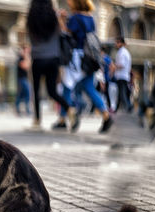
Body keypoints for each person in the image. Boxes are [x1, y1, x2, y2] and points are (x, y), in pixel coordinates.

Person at [58, 0, 113, 133]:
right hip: (89, 58)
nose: (68, 3)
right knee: (89, 88)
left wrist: (61, 19)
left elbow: (67, 33)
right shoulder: (90, 17)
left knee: (66, 86)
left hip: (77, 57)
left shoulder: (75, 18)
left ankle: (64, 118)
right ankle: (106, 115)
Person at [27, 0, 75, 129]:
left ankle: (37, 120)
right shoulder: (54, 19)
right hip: (53, 59)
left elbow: (30, 39)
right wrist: (60, 18)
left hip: (37, 58)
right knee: (52, 91)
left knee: (36, 91)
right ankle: (69, 109)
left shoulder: (31, 19)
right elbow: (62, 34)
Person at [113, 36, 133, 113]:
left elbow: (122, 64)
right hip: (123, 75)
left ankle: (128, 107)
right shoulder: (124, 52)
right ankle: (117, 108)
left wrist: (114, 66)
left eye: (118, 42)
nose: (116, 44)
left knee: (122, 93)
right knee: (121, 93)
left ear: (122, 43)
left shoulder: (122, 52)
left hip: (122, 75)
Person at [16, 46, 31, 116]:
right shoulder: (20, 58)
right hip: (21, 79)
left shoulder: (24, 58)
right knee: (25, 93)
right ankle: (22, 109)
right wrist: (26, 57)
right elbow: (26, 66)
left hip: (25, 79)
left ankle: (23, 109)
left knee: (23, 94)